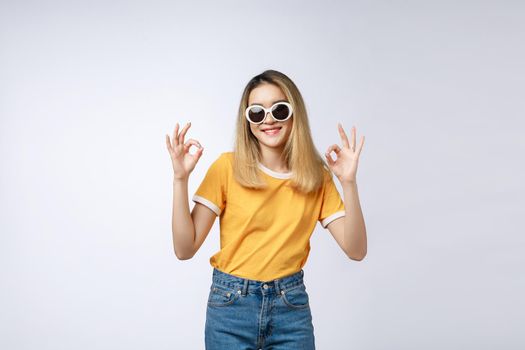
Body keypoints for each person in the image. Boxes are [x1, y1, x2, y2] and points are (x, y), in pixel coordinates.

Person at [165, 69, 367, 350]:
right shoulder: (227, 168)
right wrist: (180, 179)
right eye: (257, 113)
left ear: (294, 113)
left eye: (279, 109)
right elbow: (184, 249)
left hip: (290, 309)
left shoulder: (316, 177)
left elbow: (356, 250)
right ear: (247, 122)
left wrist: (348, 183)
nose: (268, 119)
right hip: (231, 308)